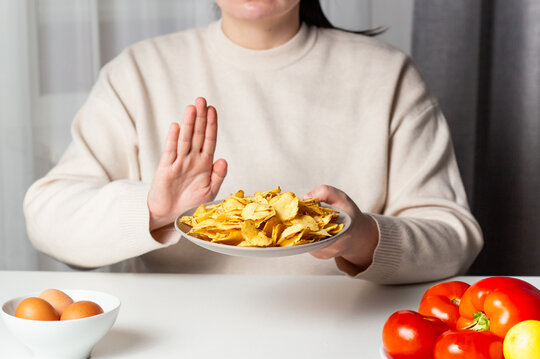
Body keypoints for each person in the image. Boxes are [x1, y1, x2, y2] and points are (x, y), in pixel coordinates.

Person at [23, 0, 482, 283]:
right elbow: (47, 218)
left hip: (348, 334)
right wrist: (154, 209)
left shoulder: (388, 76)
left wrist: (359, 238)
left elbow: (454, 236)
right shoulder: (138, 72)